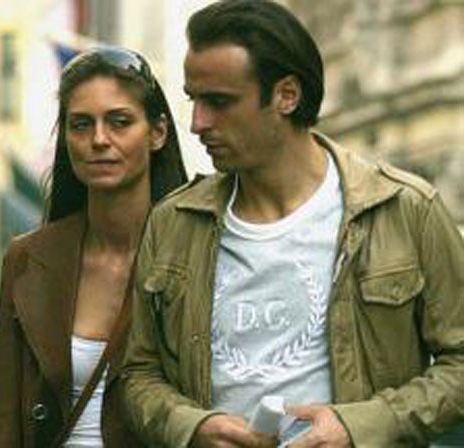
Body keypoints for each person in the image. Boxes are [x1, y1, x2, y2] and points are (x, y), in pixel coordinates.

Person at [121, 1, 464, 447]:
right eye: (194, 100)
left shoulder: (404, 210)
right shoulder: (173, 222)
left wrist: (363, 426)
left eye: (219, 102)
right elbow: (138, 374)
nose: (198, 123)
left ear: (287, 95)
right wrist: (191, 426)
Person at [0, 46, 187, 447]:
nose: (99, 140)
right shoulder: (28, 257)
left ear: (157, 132)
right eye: (81, 124)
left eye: (120, 122)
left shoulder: (194, 252)